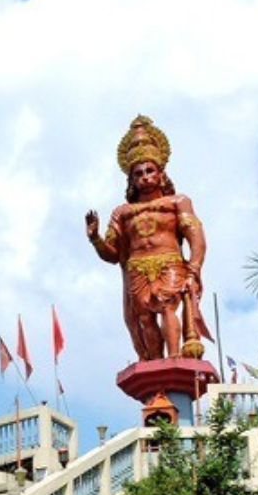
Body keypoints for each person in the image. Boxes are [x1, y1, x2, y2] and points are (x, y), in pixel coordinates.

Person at [85, 115, 208, 361]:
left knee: (167, 307)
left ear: (161, 174)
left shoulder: (177, 202)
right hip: (137, 268)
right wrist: (95, 238)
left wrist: (193, 267)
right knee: (144, 318)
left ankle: (173, 357)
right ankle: (155, 363)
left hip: (169, 262)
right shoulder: (122, 213)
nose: (145, 176)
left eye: (150, 170)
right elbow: (112, 254)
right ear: (130, 179)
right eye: (138, 173)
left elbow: (196, 236)